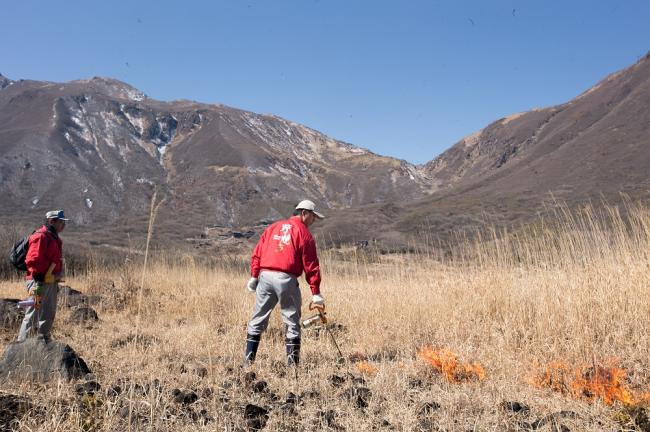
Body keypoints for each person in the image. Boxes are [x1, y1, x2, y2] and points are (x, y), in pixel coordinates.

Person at [244, 200, 325, 366]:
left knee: (257, 319)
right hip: (286, 279)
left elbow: (257, 253)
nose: (313, 221)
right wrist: (315, 293)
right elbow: (311, 265)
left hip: (265, 277)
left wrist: (254, 276)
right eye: (313, 217)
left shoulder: (273, 227)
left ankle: (247, 363)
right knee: (291, 321)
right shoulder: (304, 233)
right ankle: (292, 367)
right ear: (304, 213)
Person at [17, 209, 68, 343]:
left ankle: (43, 342)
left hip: (49, 281)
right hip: (38, 282)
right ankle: (22, 346)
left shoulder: (54, 237)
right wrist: (39, 277)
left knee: (48, 312)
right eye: (61, 222)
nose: (64, 225)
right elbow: (32, 260)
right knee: (33, 313)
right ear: (52, 221)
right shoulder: (41, 236)